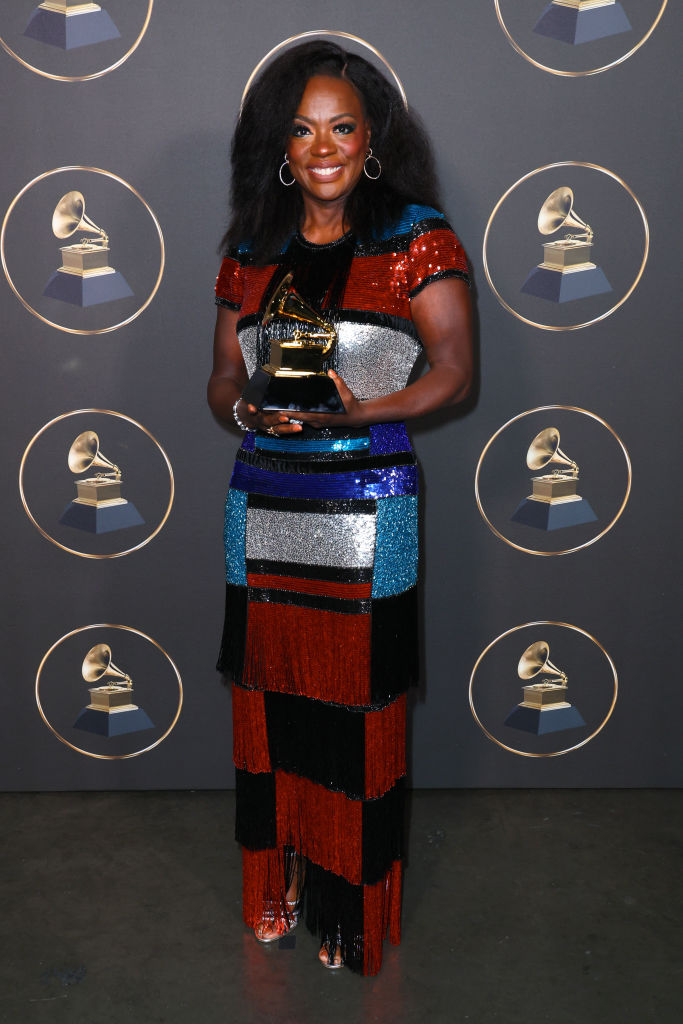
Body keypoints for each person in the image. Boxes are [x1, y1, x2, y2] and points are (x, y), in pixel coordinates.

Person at [207, 40, 473, 975]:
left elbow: (452, 371)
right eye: (303, 128)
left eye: (342, 126)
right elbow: (222, 377)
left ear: (372, 139)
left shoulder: (415, 236)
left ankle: (348, 909)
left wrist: (369, 408)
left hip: (367, 507)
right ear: (281, 144)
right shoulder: (251, 244)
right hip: (265, 503)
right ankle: (274, 885)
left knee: (358, 716)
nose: (323, 146)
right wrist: (243, 408)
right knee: (268, 706)